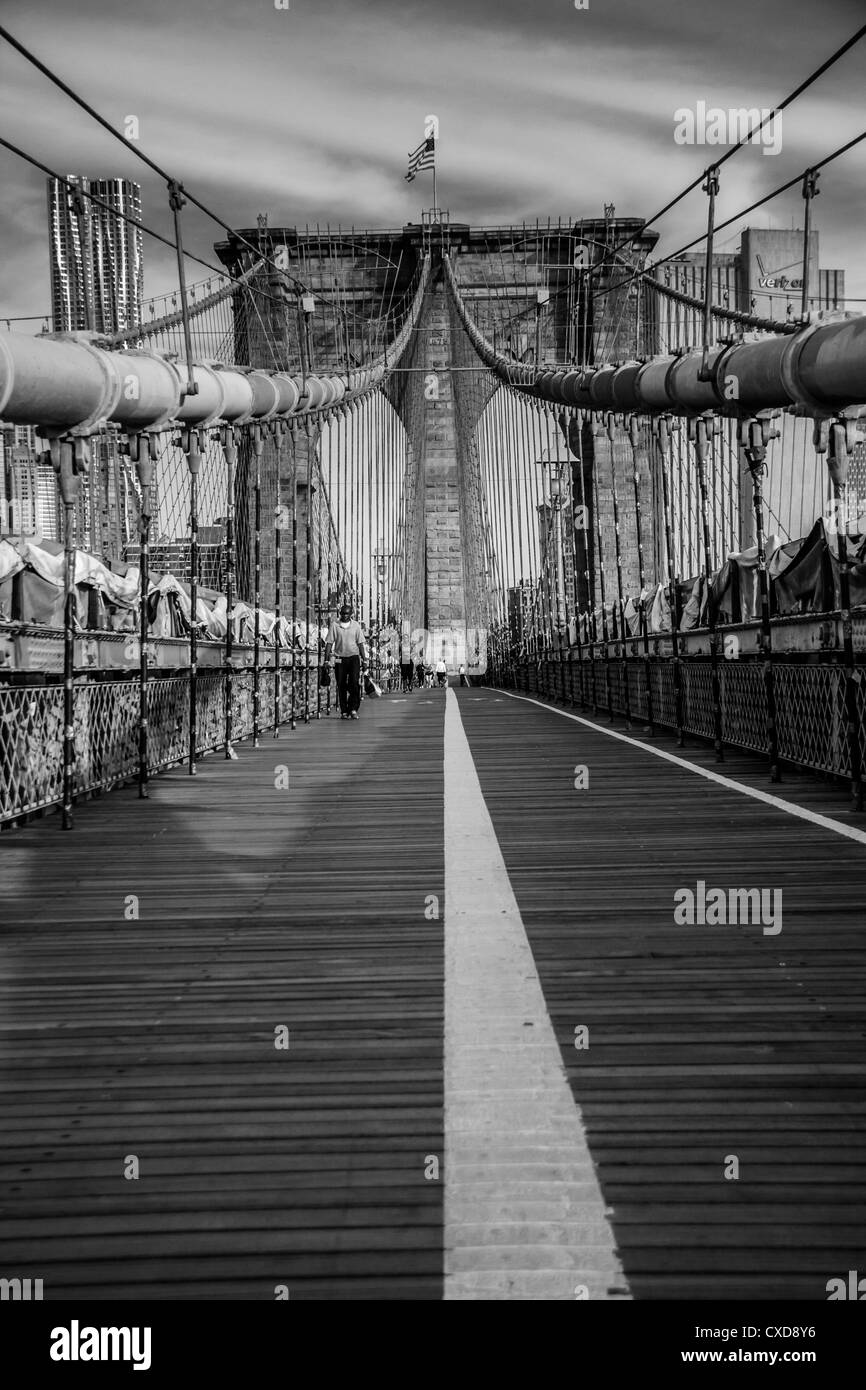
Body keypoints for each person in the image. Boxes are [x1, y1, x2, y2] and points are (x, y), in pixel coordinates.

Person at [324, 602, 368, 719]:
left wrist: (365, 660)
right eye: (342, 613)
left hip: (353, 658)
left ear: (351, 614)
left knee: (354, 683)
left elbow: (360, 644)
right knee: (341, 685)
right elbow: (329, 643)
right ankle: (344, 711)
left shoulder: (356, 626)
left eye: (347, 614)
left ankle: (353, 708)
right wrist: (326, 660)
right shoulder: (335, 625)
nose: (344, 616)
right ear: (340, 614)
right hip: (339, 658)